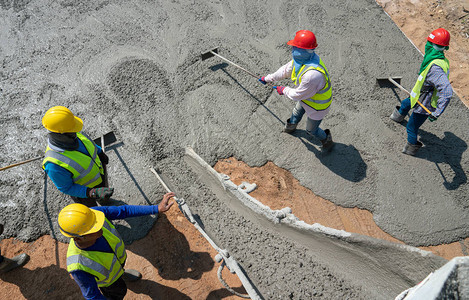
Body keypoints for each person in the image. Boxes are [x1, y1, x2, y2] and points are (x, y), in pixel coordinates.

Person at [58, 192, 175, 300]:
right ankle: (118, 279)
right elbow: (93, 296)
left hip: (118, 262)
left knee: (118, 268)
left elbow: (123, 211)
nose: (100, 228)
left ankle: (121, 273)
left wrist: (156, 208)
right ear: (78, 238)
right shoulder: (78, 266)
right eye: (93, 230)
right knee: (118, 293)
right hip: (109, 283)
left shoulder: (93, 216)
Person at [259, 29, 334, 151]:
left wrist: (283, 90)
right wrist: (268, 78)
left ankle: (327, 140)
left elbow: (297, 94)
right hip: (307, 98)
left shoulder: (313, 75)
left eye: (295, 48)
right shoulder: (301, 60)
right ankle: (291, 126)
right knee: (296, 113)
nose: (292, 50)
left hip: (318, 107)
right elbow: (284, 71)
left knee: (311, 130)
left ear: (304, 50)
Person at [390, 28, 453, 156]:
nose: (427, 44)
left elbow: (447, 92)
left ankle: (410, 149)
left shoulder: (435, 67)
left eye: (429, 42)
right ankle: (397, 117)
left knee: (412, 128)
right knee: (406, 104)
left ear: (433, 45)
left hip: (425, 103)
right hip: (418, 95)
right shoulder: (441, 60)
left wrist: (437, 112)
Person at [42, 106, 113, 207]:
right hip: (84, 194)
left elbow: (89, 143)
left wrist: (99, 151)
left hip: (99, 177)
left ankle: (105, 203)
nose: (76, 131)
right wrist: (91, 192)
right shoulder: (54, 164)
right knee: (93, 212)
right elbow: (66, 188)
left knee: (105, 199)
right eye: (73, 130)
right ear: (62, 134)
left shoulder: (74, 135)